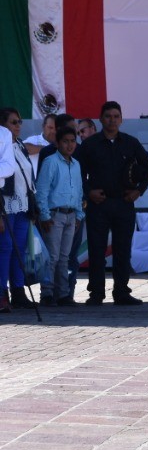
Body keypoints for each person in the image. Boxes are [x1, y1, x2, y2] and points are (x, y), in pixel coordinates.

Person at [77, 101, 148, 306]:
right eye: (108, 116)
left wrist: (139, 191)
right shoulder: (90, 144)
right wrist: (88, 192)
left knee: (123, 250)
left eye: (116, 116)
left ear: (121, 119)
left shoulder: (131, 143)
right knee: (96, 250)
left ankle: (121, 292)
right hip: (98, 204)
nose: (112, 120)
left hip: (123, 203)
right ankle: (96, 294)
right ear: (100, 119)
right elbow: (76, 172)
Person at [35, 125, 84, 307]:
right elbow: (42, 191)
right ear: (57, 143)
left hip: (71, 215)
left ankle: (63, 294)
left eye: (72, 141)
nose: (70, 145)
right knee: (52, 257)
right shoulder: (51, 162)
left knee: (65, 257)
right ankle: (47, 293)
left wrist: (79, 215)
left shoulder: (76, 164)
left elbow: (79, 191)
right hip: (54, 215)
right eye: (65, 141)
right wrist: (45, 215)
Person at [1, 108, 35, 312]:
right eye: (13, 122)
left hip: (22, 205)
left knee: (19, 249)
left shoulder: (20, 144)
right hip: (5, 204)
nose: (18, 126)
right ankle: (1, 293)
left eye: (19, 122)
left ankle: (18, 291)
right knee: (5, 248)